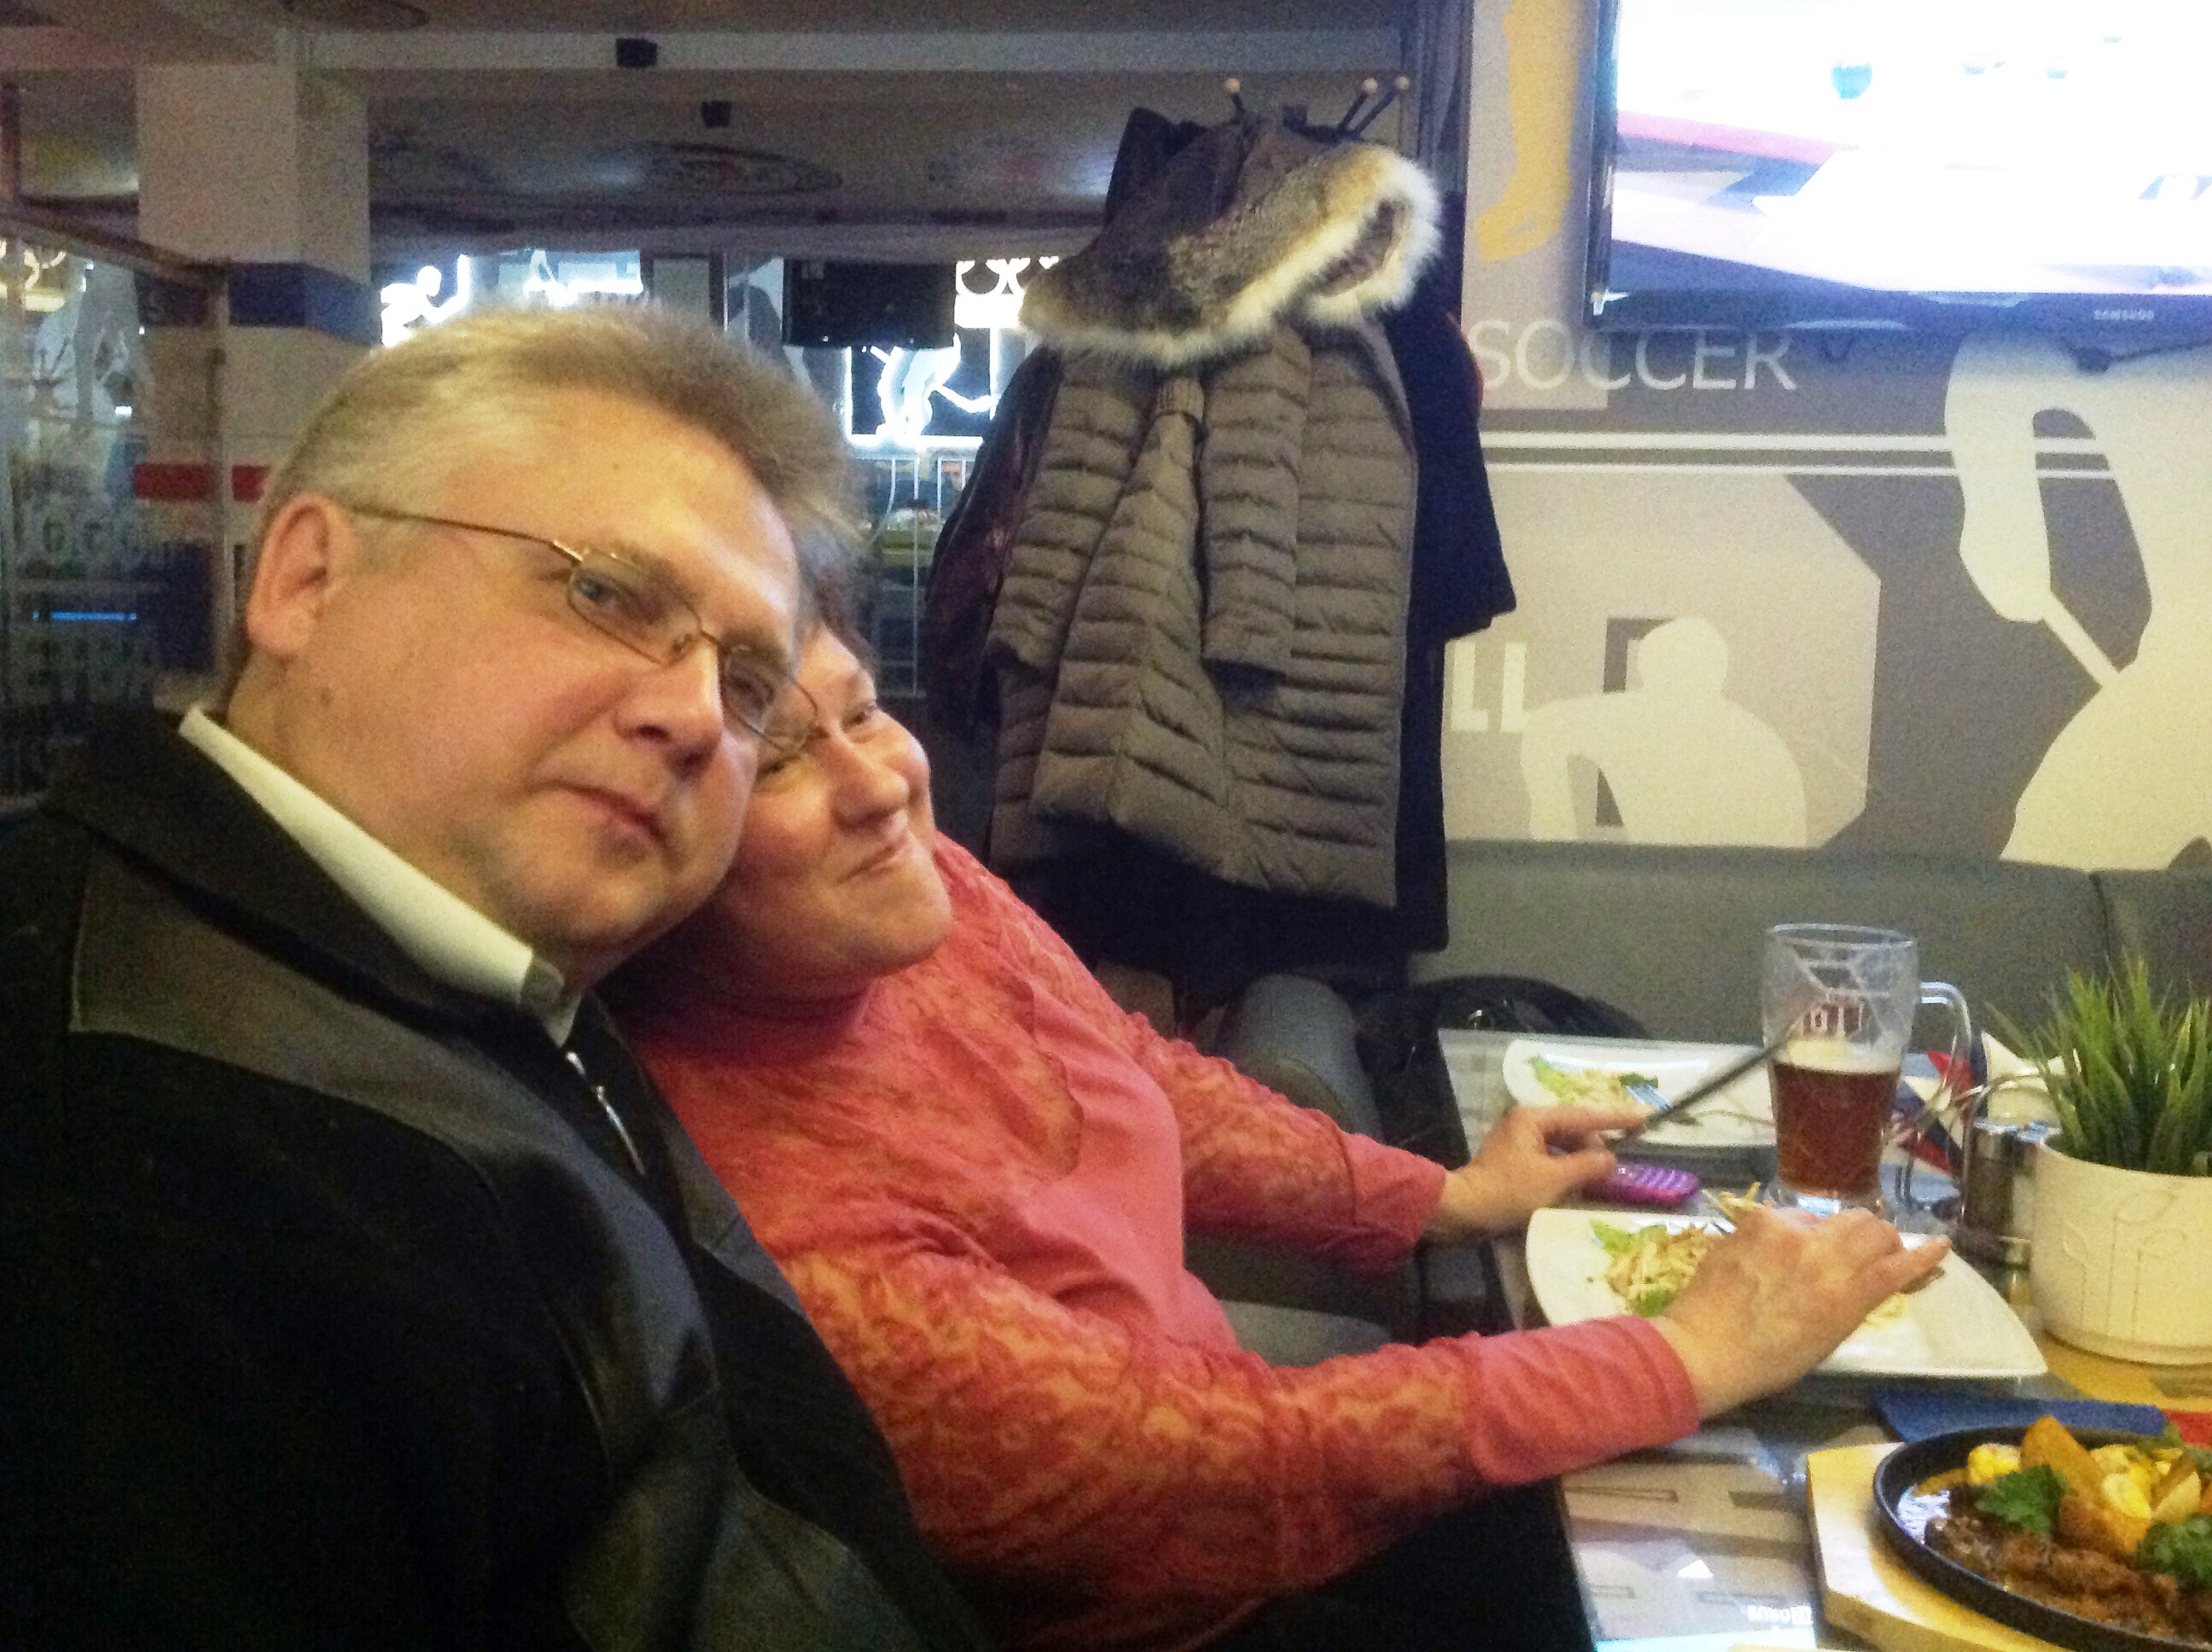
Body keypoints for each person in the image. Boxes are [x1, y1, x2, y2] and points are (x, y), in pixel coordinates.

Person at [611, 622, 1946, 1652]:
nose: (880, 784)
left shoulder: (920, 891)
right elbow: (1234, 1459)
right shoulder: (794, 1231)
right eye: (778, 757)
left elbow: (1143, 1080)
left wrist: (1443, 1197)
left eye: (863, 710)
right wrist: (1686, 1353)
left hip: (1263, 1482)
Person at [0, 308, 991, 1651]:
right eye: (606, 595)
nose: (695, 715)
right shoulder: (132, 1165)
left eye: (749, 681)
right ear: (304, 582)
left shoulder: (445, 974)